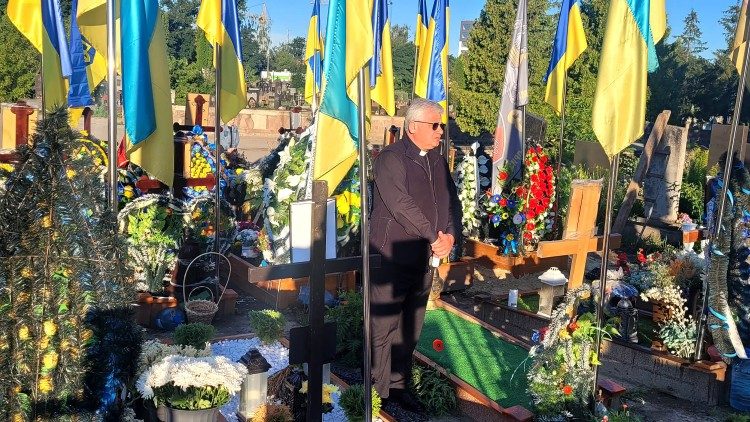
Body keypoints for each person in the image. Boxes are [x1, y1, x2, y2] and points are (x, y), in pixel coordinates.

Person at [369, 98, 461, 412]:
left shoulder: (437, 159)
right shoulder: (389, 158)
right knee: (383, 326)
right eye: (435, 125)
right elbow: (401, 205)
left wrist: (449, 235)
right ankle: (375, 390)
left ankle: (399, 386)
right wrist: (434, 235)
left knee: (411, 323)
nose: (440, 132)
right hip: (391, 255)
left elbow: (451, 201)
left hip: (424, 256)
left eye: (441, 126)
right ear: (413, 127)